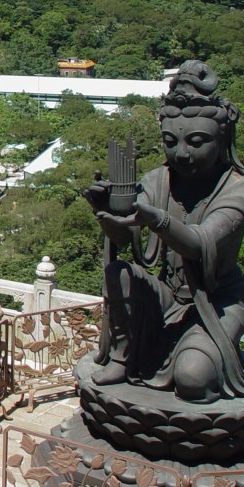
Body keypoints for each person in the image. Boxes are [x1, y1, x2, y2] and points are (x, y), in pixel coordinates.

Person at [84, 60, 244, 402]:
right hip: (170, 295)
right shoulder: (160, 179)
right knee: (119, 271)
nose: (181, 153)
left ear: (222, 138)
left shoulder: (235, 189)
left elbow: (199, 244)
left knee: (192, 379)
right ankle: (121, 357)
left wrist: (155, 218)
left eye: (197, 142)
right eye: (171, 141)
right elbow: (127, 240)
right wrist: (105, 214)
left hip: (217, 302)